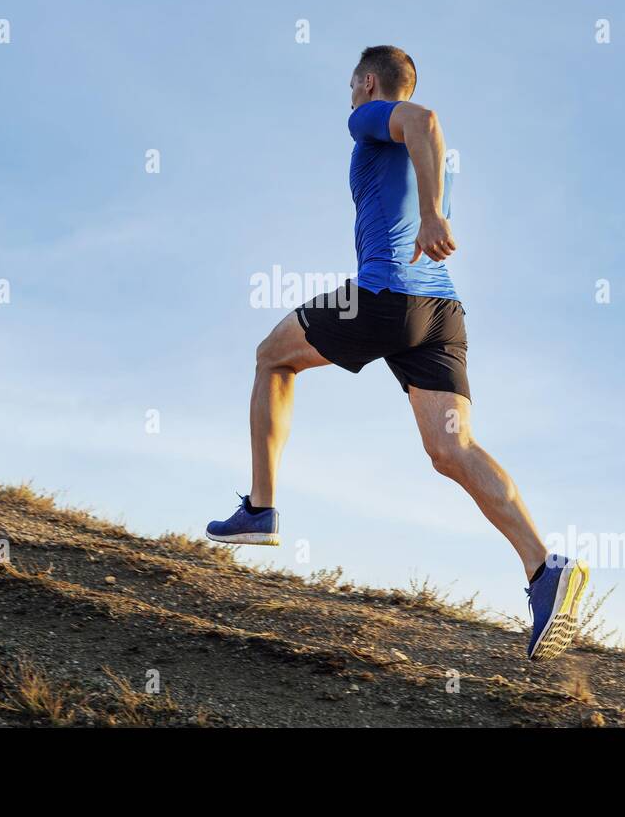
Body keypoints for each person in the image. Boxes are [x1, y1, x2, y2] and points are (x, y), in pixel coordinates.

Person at [206, 46, 589, 661]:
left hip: (385, 297)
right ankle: (545, 569)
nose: (350, 98)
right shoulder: (426, 156)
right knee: (451, 449)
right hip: (440, 314)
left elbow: (423, 119)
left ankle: (261, 507)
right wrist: (433, 211)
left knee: (272, 357)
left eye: (351, 86)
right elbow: (425, 136)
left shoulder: (373, 115)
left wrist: (433, 216)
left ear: (366, 81)